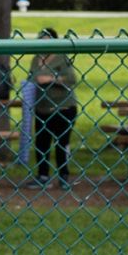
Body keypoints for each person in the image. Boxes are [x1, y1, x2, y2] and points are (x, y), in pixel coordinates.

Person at [30, 29, 79, 185]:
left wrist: (51, 78)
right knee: (41, 143)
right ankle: (43, 176)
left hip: (63, 107)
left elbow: (71, 79)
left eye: (47, 39)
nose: (43, 43)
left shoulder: (61, 57)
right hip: (42, 108)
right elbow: (32, 77)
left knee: (61, 142)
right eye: (41, 39)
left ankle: (63, 176)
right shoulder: (36, 59)